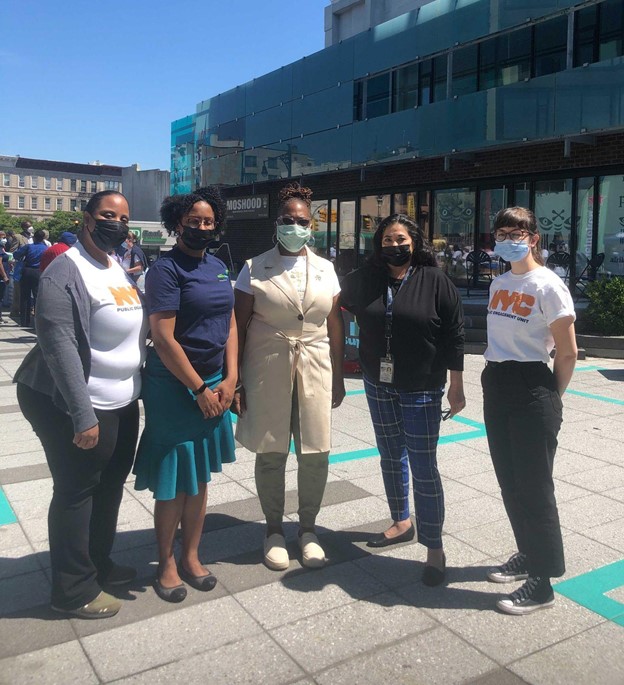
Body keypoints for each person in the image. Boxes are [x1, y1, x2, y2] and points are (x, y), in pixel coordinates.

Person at [14, 190, 147, 619]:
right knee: (76, 491)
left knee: (108, 487)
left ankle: (97, 565)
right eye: (108, 215)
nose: (117, 223)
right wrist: (81, 414)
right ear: (87, 218)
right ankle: (72, 590)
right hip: (71, 402)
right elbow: (59, 346)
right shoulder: (64, 271)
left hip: (120, 401)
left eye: (123, 218)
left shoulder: (114, 266)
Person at [340, 213, 465, 586]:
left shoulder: (436, 280)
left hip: (423, 387)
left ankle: (434, 547)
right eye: (388, 240)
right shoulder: (367, 279)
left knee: (424, 466)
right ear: (378, 246)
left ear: (415, 241)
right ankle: (401, 521)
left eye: (401, 239)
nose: (395, 246)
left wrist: (456, 386)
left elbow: (455, 336)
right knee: (391, 456)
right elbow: (329, 298)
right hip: (378, 383)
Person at [133, 186, 237, 604]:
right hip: (176, 387)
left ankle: (192, 555)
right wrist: (198, 388)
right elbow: (162, 336)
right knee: (175, 480)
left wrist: (231, 379)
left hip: (214, 382)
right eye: (194, 220)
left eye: (209, 221)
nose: (201, 227)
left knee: (199, 477)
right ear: (177, 223)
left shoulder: (217, 265)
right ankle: (166, 562)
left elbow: (229, 323)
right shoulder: (165, 269)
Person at [234, 183, 345, 571]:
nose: (295, 226)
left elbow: (335, 324)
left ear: (310, 225)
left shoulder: (326, 268)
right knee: (271, 451)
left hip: (315, 364)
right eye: (288, 220)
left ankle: (309, 529)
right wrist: (236, 380)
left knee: (316, 450)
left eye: (302, 221)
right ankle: (274, 529)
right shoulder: (253, 267)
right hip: (267, 365)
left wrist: (341, 376)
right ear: (276, 223)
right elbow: (239, 327)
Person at [483, 207, 577, 615]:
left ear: (534, 238)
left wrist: (550, 398)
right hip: (497, 382)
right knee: (510, 481)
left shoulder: (549, 285)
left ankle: (542, 582)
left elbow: (568, 352)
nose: (509, 239)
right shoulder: (499, 282)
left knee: (536, 488)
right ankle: (526, 553)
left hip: (532, 386)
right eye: (503, 232)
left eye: (518, 232)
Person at [14, 229, 47, 327]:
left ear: (34, 238)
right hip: (39, 272)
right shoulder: (45, 248)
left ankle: (24, 321)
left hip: (27, 271)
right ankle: (37, 320)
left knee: (25, 296)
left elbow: (16, 255)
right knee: (38, 297)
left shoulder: (28, 247)